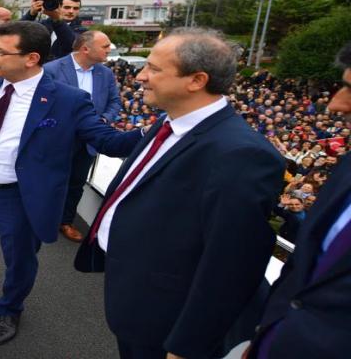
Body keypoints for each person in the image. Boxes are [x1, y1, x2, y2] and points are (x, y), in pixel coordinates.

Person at [74, 28, 286, 359]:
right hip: (136, 301)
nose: (141, 77)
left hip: (169, 324)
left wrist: (188, 346)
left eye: (154, 69)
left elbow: (231, 265)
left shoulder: (241, 154)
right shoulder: (167, 123)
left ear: (196, 80)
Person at [0, 21, 141, 345]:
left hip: (19, 197)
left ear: (31, 58)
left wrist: (153, 133)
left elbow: (108, 141)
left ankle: (10, 309)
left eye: (0, 52)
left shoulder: (68, 99)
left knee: (19, 262)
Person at [247, 42, 351, 359]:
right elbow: (302, 268)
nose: (336, 105)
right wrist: (266, 333)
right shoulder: (346, 168)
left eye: (349, 89)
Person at [44, 30, 122, 242]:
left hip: (89, 141)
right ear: (86, 48)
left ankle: (65, 221)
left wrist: (103, 120)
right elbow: (41, 105)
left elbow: (115, 102)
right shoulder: (51, 70)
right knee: (49, 180)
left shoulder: (105, 73)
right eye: (105, 46)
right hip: (57, 139)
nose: (109, 49)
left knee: (76, 182)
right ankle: (41, 218)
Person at [22, 0, 86, 60]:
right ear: (58, 7)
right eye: (67, 7)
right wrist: (31, 14)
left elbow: (70, 44)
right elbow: (19, 32)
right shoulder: (43, 24)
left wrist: (57, 19)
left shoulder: (82, 31)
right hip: (38, 67)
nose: (71, 11)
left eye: (76, 8)